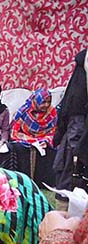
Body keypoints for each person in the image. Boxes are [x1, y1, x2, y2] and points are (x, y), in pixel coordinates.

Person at [54, 50, 88, 202]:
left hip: (76, 125)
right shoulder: (80, 83)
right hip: (78, 125)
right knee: (72, 163)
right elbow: (72, 109)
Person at [10, 88, 58, 187]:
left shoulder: (52, 112)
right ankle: (26, 182)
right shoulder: (24, 111)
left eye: (49, 102)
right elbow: (14, 132)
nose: (46, 105)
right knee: (22, 149)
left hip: (44, 140)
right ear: (36, 101)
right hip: (25, 139)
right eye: (43, 102)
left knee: (52, 150)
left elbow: (54, 131)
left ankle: (44, 184)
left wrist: (46, 140)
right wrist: (31, 140)